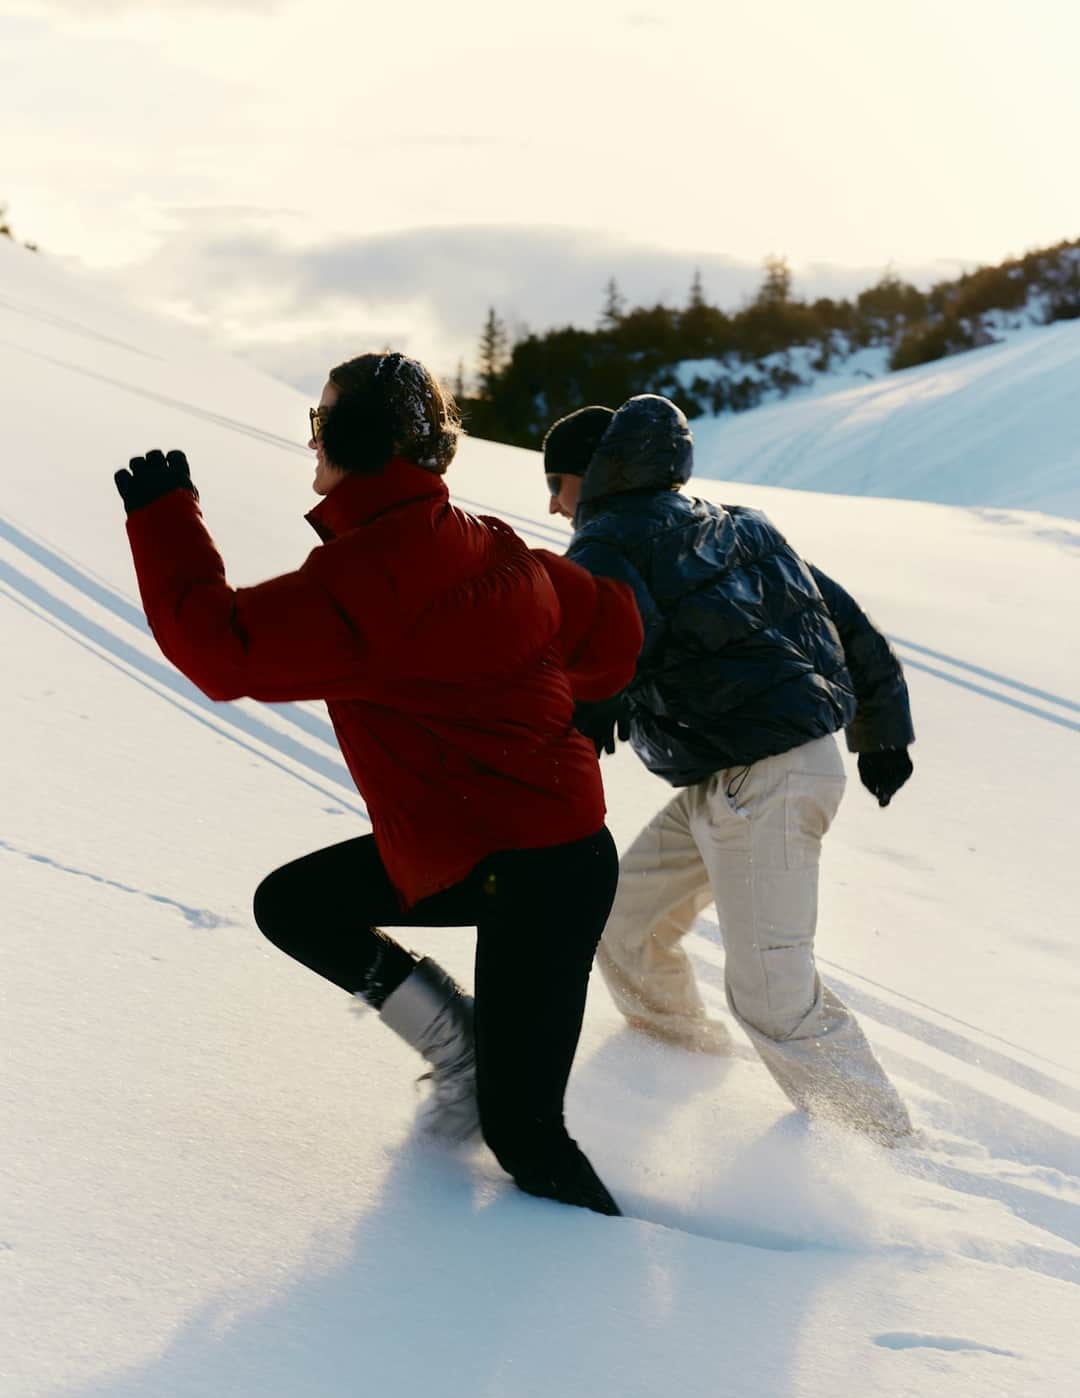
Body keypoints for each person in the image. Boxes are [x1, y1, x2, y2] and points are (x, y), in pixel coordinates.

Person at [114, 351, 643, 1215]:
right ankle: (462, 1043)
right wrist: (593, 696)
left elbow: (223, 649)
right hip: (492, 849)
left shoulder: (372, 582)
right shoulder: (485, 541)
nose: (313, 446)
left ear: (356, 443)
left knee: (526, 1139)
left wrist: (165, 520)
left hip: (539, 873)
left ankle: (613, 1287)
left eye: (321, 427)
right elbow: (609, 624)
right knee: (296, 903)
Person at [542, 395, 915, 1144]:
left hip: (761, 780)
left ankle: (884, 1154)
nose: (552, 503)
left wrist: (597, 694)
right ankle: (681, 1071)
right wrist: (882, 732)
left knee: (775, 995)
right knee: (627, 925)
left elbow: (609, 631)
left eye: (557, 481)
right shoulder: (736, 522)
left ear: (595, 473)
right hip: (740, 777)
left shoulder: (608, 538)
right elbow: (843, 616)